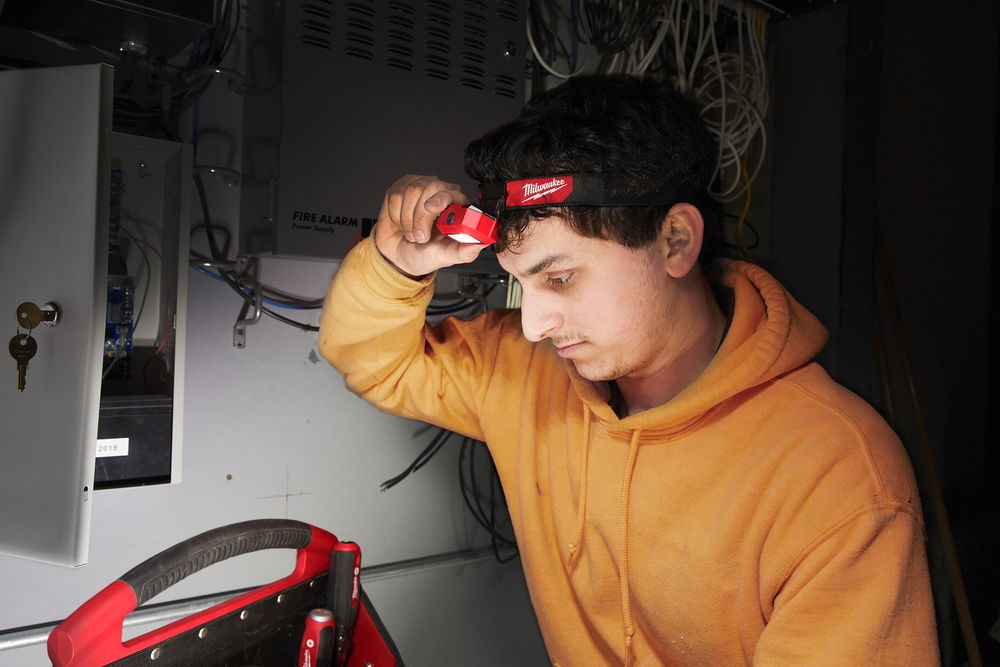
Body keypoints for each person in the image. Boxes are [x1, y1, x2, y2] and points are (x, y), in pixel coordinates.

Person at [318, 74, 939, 665]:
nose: (533, 326)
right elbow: (375, 362)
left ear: (675, 240)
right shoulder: (525, 372)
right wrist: (394, 265)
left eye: (561, 278)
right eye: (520, 284)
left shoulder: (837, 477)